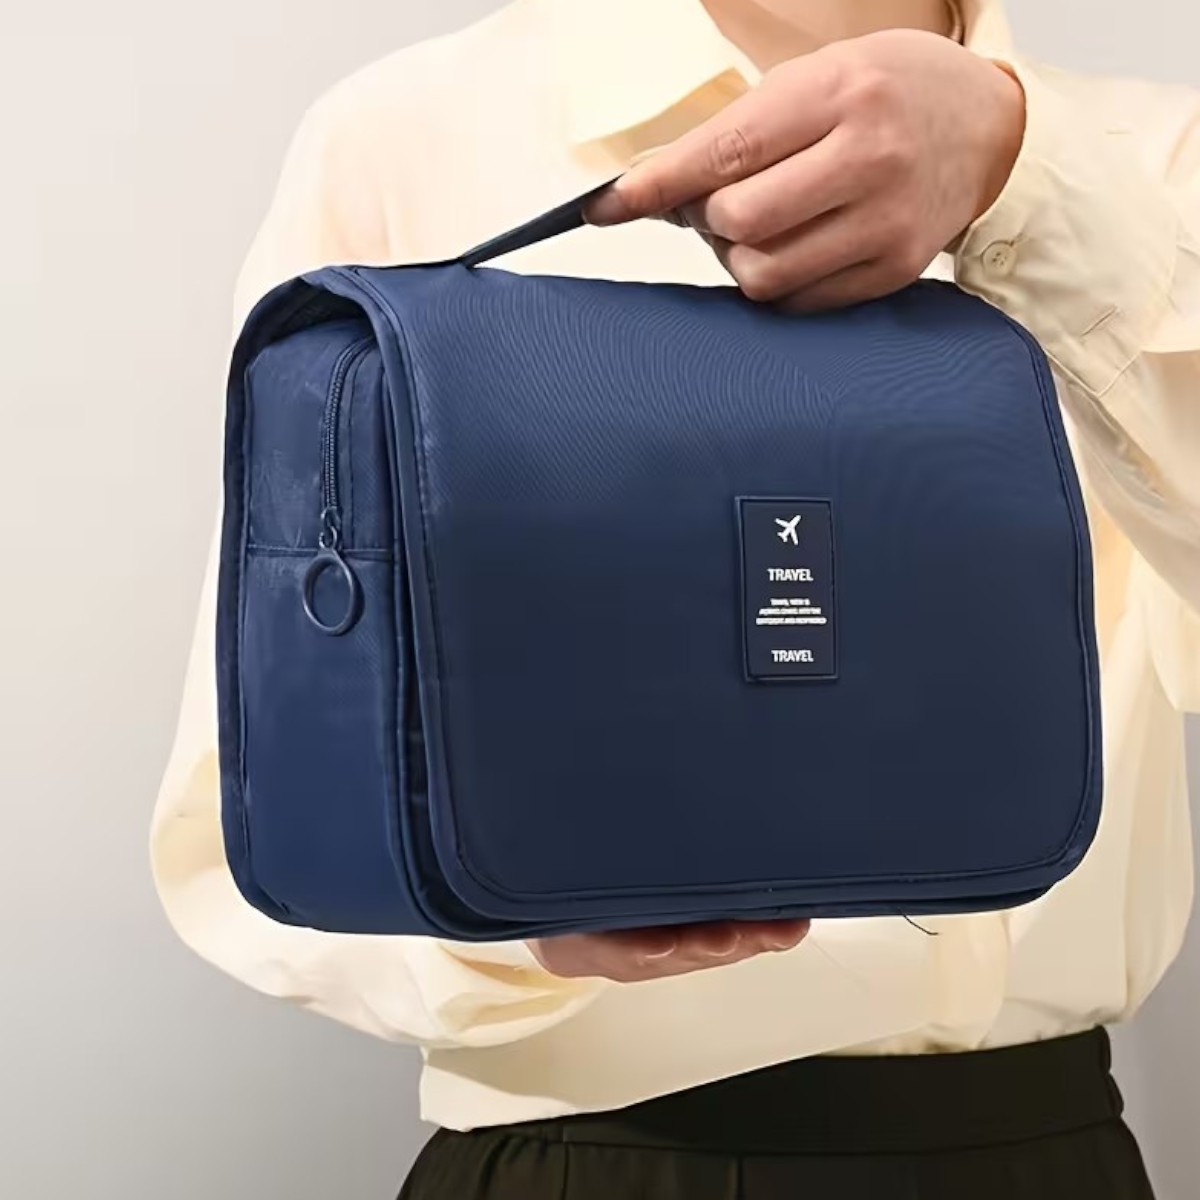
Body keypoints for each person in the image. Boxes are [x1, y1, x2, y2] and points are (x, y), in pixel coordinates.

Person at [151, 0, 1200, 1195]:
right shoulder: (413, 128)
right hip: (588, 1162)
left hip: (1054, 1155)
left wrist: (1025, 178)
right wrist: (509, 931)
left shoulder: (1161, 159)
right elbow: (249, 824)